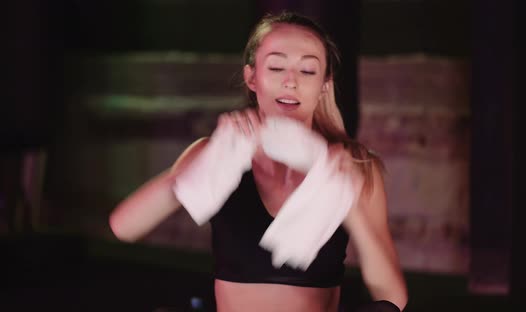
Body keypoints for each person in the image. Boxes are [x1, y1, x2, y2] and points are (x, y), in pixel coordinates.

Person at [109, 11, 408, 312]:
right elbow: (124, 227)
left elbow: (394, 300)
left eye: (307, 71)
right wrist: (198, 172)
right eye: (277, 67)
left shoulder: (353, 166)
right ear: (252, 77)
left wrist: (350, 202)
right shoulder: (215, 153)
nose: (290, 82)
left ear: (324, 86)